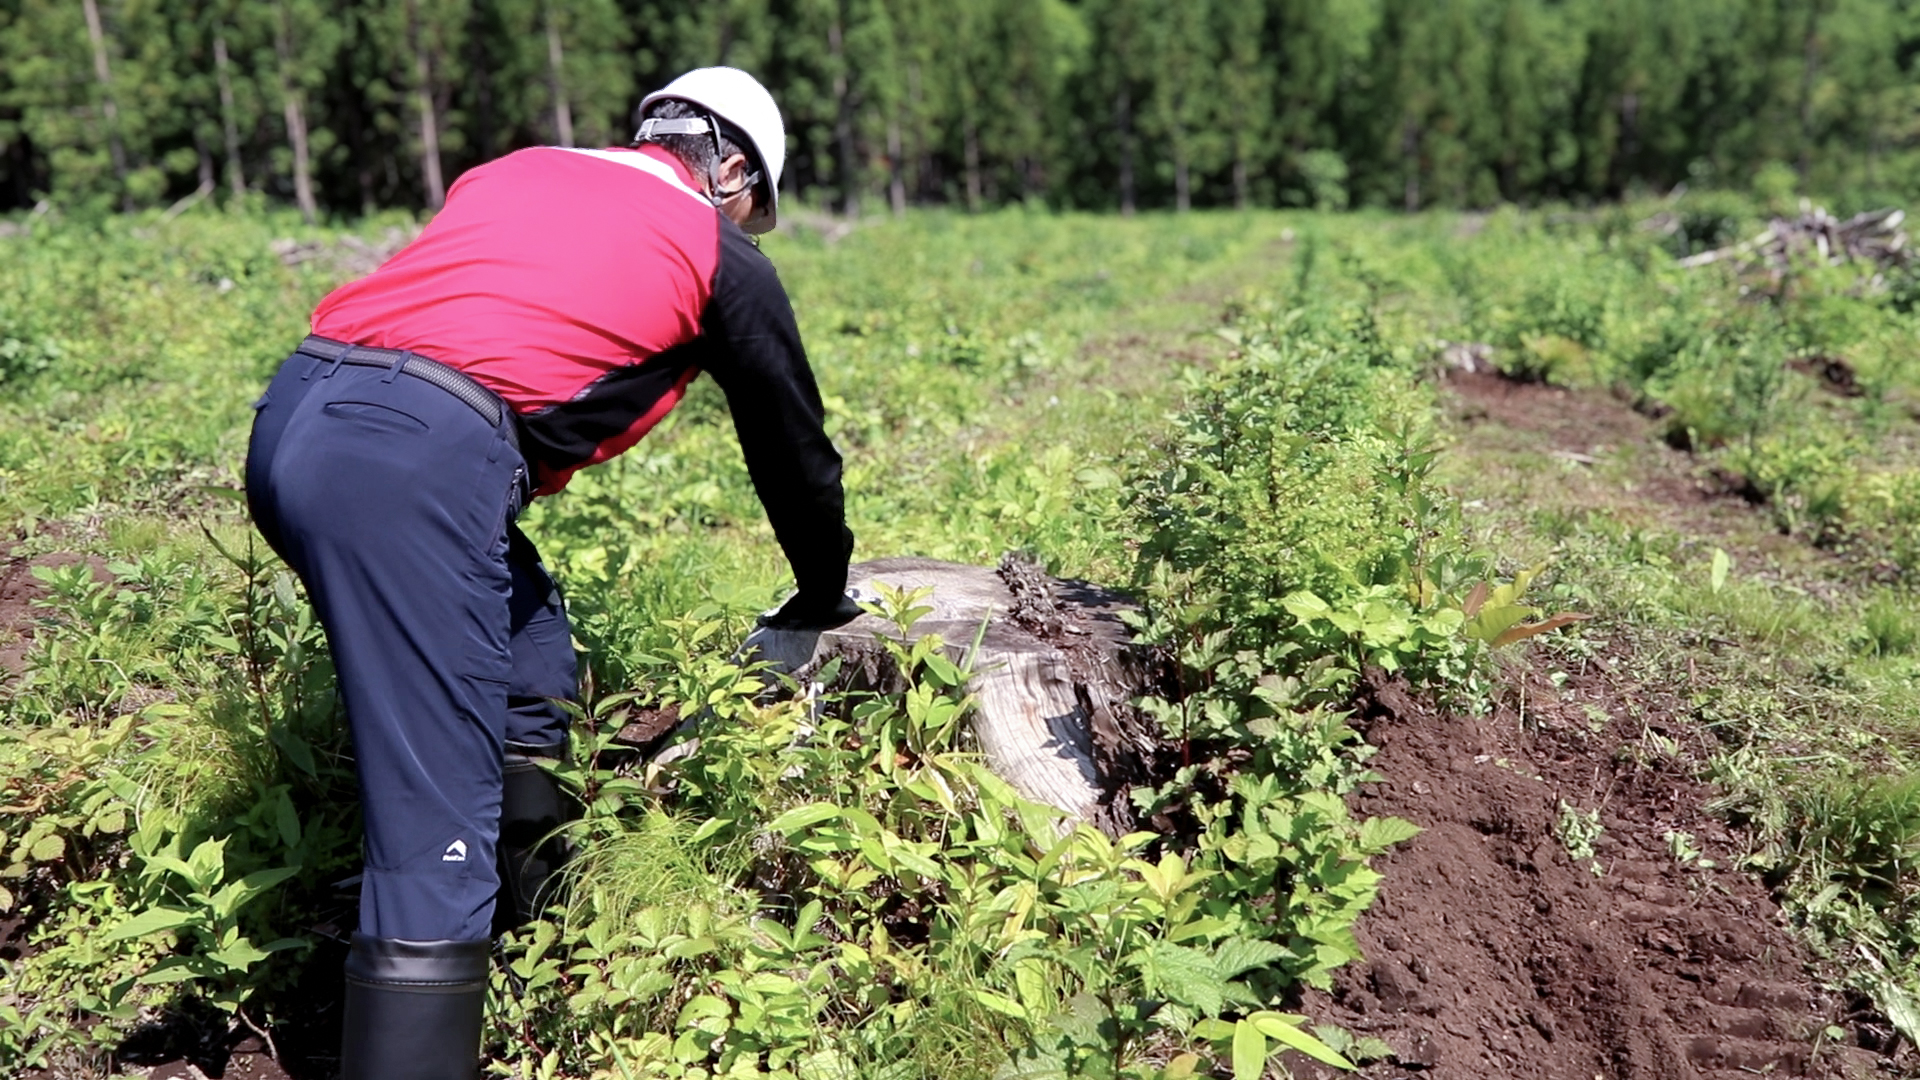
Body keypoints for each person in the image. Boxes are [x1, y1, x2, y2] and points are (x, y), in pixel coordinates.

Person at [243, 67, 858, 1080]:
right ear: (732, 168)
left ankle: (543, 927)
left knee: (528, 650)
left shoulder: (521, 169)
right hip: (412, 458)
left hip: (295, 414)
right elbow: (793, 450)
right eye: (755, 209)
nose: (751, 230)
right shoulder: (716, 254)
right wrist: (823, 584)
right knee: (428, 834)